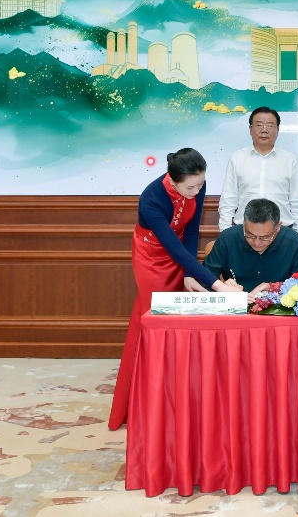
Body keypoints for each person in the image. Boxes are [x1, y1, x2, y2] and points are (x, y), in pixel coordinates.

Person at [108, 148, 240, 430]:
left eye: (200, 185)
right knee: (156, 322)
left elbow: (190, 232)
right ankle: (150, 402)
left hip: (181, 255)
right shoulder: (152, 198)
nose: (197, 191)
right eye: (190, 188)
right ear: (172, 179)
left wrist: (189, 273)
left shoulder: (196, 184)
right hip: (151, 259)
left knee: (181, 323)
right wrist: (217, 285)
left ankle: (177, 397)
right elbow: (170, 245)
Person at [218, 106, 298, 237]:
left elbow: (297, 202)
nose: (264, 130)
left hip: (281, 231)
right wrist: (225, 234)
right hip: (244, 232)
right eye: (259, 125)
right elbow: (228, 200)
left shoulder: (290, 160)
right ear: (250, 129)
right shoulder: (237, 158)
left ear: (278, 130)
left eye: (270, 125)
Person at [204, 198, 298, 293]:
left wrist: (276, 288)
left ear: (278, 227)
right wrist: (222, 286)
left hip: (278, 306)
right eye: (250, 235)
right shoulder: (228, 239)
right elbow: (203, 279)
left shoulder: (294, 244)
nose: (257, 243)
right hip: (237, 305)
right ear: (244, 224)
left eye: (265, 238)